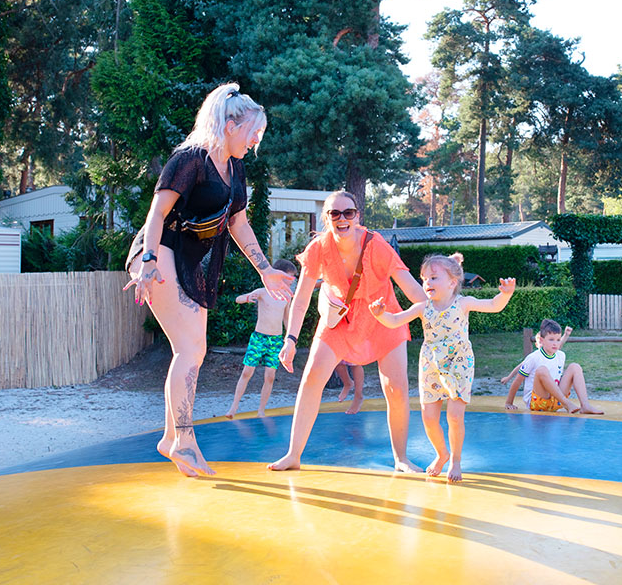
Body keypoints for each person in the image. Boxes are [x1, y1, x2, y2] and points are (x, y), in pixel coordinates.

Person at [124, 83, 294, 478]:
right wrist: (148, 261)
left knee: (193, 351)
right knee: (190, 348)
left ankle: (172, 437)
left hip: (190, 262)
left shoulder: (235, 167)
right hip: (160, 250)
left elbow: (238, 222)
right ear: (230, 124)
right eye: (254, 131)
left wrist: (265, 269)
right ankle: (183, 440)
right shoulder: (190, 159)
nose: (256, 140)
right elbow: (156, 212)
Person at [269, 191, 426, 472]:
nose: (342, 219)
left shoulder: (376, 245)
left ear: (357, 216)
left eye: (348, 213)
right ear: (326, 218)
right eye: (334, 213)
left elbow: (411, 287)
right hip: (340, 318)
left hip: (382, 317)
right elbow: (302, 297)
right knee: (312, 377)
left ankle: (401, 458)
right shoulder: (318, 248)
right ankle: (293, 454)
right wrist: (290, 339)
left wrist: (437, 309)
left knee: (397, 389)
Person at [370, 253, 516, 482]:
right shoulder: (422, 307)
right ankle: (442, 454)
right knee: (429, 418)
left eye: (433, 278)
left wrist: (505, 294)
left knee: (455, 417)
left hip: (459, 363)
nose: (427, 283)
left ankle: (456, 461)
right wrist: (380, 315)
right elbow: (395, 320)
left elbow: (493, 305)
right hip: (431, 365)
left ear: (452, 282)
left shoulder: (463, 303)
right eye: (424, 279)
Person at [225, 259, 298, 419]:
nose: (290, 282)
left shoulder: (287, 297)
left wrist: (290, 339)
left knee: (270, 376)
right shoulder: (264, 292)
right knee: (247, 372)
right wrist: (248, 297)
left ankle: (261, 410)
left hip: (276, 341)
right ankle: (234, 407)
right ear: (278, 275)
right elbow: (238, 299)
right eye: (288, 278)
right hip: (259, 338)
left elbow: (287, 319)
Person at [502, 319, 604, 415]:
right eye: (551, 340)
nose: (555, 343)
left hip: (556, 401)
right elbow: (518, 380)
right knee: (542, 370)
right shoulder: (533, 357)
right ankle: (566, 403)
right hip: (537, 402)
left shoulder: (561, 355)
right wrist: (509, 403)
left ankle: (585, 405)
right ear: (541, 340)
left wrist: (566, 335)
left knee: (575, 367)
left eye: (558, 340)